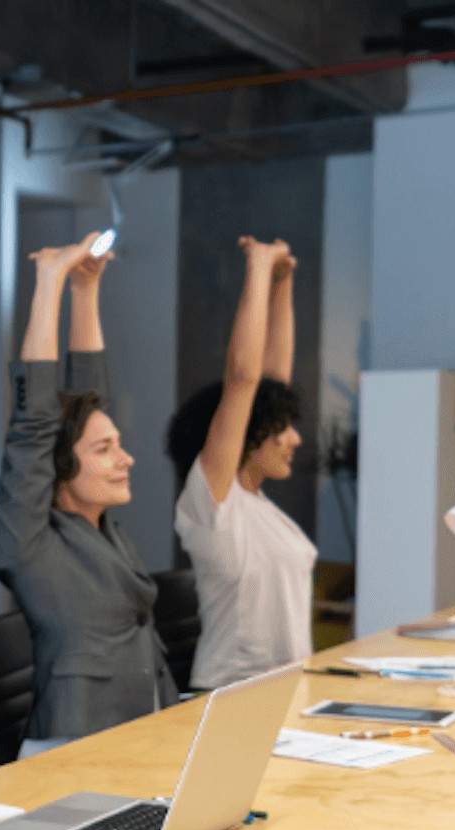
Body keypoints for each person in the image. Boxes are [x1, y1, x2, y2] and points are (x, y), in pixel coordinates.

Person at [0, 233, 177, 751]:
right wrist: (49, 281)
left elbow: (90, 400)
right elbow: (35, 425)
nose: (126, 458)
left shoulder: (100, 531)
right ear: (60, 466)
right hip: (71, 755)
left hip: (139, 736)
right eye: (105, 450)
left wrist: (86, 293)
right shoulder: (29, 540)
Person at [166, 237, 313, 689]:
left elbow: (270, 384)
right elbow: (244, 379)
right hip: (230, 695)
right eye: (280, 429)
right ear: (247, 436)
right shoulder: (214, 505)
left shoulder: (255, 505)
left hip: (283, 691)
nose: (295, 438)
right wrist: (257, 266)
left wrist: (283, 281)